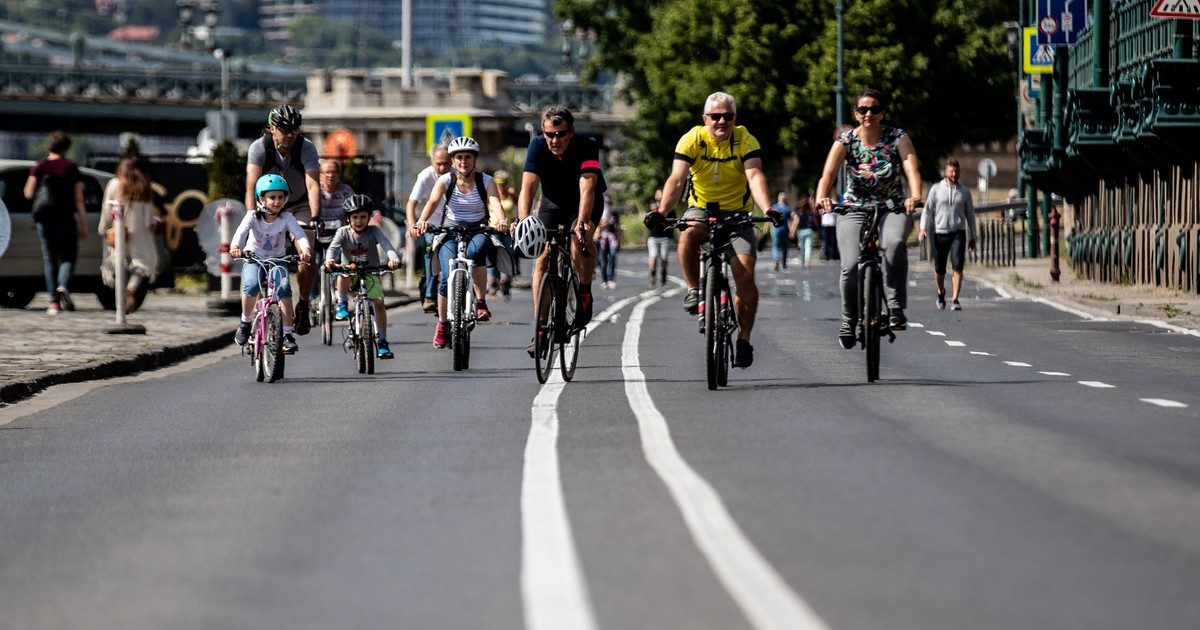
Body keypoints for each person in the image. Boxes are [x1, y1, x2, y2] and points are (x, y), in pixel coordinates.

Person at [650, 91, 778, 369]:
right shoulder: (692, 139)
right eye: (715, 117)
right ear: (705, 119)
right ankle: (694, 289)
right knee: (688, 233)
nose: (721, 122)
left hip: (738, 214)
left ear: (735, 118)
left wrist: (767, 208)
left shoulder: (745, 140)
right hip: (701, 209)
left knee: (745, 277)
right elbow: (677, 178)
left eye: (727, 116)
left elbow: (754, 176)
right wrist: (662, 212)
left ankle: (744, 339)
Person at [815, 88, 923, 350]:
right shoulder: (845, 141)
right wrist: (822, 197)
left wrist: (915, 195)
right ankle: (848, 319)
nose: (868, 114)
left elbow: (912, 168)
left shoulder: (898, 138)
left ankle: (896, 307)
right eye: (863, 110)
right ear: (856, 113)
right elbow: (827, 175)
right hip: (853, 208)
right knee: (850, 266)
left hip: (891, 207)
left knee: (895, 243)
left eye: (875, 109)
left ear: (883, 113)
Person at [517, 105, 607, 356]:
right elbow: (528, 186)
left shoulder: (586, 145)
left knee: (579, 241)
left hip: (584, 202)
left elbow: (588, 186)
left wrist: (582, 221)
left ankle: (585, 290)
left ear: (571, 132)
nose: (554, 140)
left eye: (560, 134)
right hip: (553, 202)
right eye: (549, 134)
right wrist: (524, 219)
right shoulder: (537, 146)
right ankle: (541, 328)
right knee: (543, 259)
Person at [414, 136, 509, 349]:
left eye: (467, 157)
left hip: (477, 228)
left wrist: (502, 220)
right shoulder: (445, 181)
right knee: (446, 277)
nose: (463, 162)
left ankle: (481, 302)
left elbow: (494, 201)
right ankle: (442, 324)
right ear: (453, 160)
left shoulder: (486, 181)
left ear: (474, 159)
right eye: (458, 158)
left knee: (477, 252)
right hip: (449, 230)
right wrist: (421, 222)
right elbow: (432, 202)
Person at [245, 104, 321, 334]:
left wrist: (316, 216)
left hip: (298, 205)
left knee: (306, 249)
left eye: (294, 130)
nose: (290, 135)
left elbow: (312, 183)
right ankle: (260, 312)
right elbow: (250, 186)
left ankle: (304, 303)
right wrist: (252, 216)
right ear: (271, 128)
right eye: (284, 129)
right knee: (258, 256)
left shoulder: (306, 148)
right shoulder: (259, 148)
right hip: (266, 207)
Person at [230, 174, 314, 354]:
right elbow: (240, 233)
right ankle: (245, 322)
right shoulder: (252, 216)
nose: (277, 201)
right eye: (272, 197)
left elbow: (299, 235)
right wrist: (236, 247)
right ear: (261, 198)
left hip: (278, 260)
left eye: (281, 197)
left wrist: (305, 250)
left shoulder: (287, 218)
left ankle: (288, 334)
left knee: (284, 288)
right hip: (254, 259)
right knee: (251, 285)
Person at [326, 194, 402, 359]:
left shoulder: (374, 231)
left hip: (370, 272)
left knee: (379, 303)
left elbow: (387, 245)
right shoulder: (342, 232)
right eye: (355, 217)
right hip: (350, 271)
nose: (359, 221)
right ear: (348, 219)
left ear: (369, 217)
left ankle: (382, 341)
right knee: (343, 273)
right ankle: (342, 304)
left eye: (362, 217)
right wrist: (330, 260)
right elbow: (333, 249)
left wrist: (394, 259)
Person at [24, 130, 86, 315]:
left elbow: (28, 193)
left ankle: (53, 303)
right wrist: (84, 223)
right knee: (68, 257)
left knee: (50, 259)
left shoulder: (39, 166)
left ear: (50, 145)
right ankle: (63, 286)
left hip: (44, 218)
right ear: (66, 148)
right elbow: (79, 199)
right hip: (66, 218)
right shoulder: (71, 167)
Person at [99, 157, 161, 313]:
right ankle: (131, 289)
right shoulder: (143, 187)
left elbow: (107, 209)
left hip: (118, 231)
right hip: (139, 232)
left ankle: (120, 294)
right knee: (142, 264)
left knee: (118, 263)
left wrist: (103, 227)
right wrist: (153, 224)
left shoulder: (114, 184)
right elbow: (149, 219)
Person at [919, 157, 977, 311]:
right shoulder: (936, 189)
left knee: (958, 266)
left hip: (958, 232)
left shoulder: (964, 192)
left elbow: (970, 215)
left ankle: (955, 299)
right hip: (940, 232)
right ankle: (941, 291)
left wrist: (973, 237)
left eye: (956, 171)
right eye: (951, 171)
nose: (954, 174)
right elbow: (927, 210)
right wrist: (923, 228)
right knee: (940, 268)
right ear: (946, 171)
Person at [406, 144, 452, 314]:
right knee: (432, 251)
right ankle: (430, 295)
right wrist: (413, 224)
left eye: (446, 163)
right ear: (431, 161)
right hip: (431, 224)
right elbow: (411, 203)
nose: (442, 167)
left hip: (453, 224)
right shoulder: (426, 176)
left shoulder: (458, 173)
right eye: (438, 163)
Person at [316, 159, 356, 319]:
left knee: (342, 267)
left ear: (339, 175)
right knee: (312, 264)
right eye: (327, 172)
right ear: (320, 175)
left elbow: (354, 210)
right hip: (318, 236)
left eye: (334, 172)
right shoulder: (315, 190)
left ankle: (341, 302)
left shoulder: (345, 191)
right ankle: (312, 299)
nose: (330, 175)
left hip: (339, 238)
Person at [487, 169, 517, 300]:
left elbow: (519, 207)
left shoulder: (511, 195)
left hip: (507, 230)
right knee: (492, 255)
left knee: (507, 254)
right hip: (493, 229)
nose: (501, 186)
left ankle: (505, 280)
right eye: (498, 183)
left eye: (503, 183)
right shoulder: (490, 195)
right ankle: (492, 280)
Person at [645, 188, 675, 288]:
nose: (660, 196)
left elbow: (673, 222)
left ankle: (663, 273)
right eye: (658, 194)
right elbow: (646, 221)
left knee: (663, 257)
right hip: (653, 237)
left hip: (664, 237)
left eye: (662, 194)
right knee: (653, 256)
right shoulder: (651, 208)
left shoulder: (669, 208)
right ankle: (652, 276)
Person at [597, 194, 620, 289]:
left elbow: (617, 226)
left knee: (612, 258)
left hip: (612, 240)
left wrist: (619, 238)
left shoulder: (614, 213)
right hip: (602, 239)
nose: (607, 204)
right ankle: (604, 280)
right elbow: (597, 226)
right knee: (603, 261)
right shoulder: (598, 213)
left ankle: (611, 279)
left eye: (608, 202)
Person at [793, 193, 819, 269]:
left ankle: (803, 261)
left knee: (802, 247)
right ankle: (807, 262)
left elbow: (796, 221)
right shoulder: (811, 211)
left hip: (801, 231)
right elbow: (816, 220)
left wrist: (792, 231)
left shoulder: (799, 212)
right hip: (809, 231)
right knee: (808, 247)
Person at [769, 192, 793, 271]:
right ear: (785, 199)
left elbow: (768, 218)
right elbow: (790, 221)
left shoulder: (774, 207)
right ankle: (784, 263)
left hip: (776, 229)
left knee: (775, 246)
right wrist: (791, 231)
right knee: (784, 247)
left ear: (778, 199)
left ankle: (776, 260)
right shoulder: (787, 208)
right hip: (785, 229)